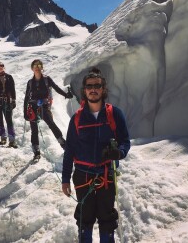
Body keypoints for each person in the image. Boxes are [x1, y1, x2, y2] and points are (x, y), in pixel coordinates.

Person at [62, 68, 131, 243]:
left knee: (106, 219)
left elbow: (125, 141)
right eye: (89, 86)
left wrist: (119, 152)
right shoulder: (77, 118)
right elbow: (69, 150)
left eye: (97, 86)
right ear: (84, 90)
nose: (93, 89)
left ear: (103, 89)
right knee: (85, 219)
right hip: (82, 176)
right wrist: (65, 179)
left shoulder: (114, 114)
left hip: (106, 175)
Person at [24, 59, 73, 159]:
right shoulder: (30, 82)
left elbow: (56, 88)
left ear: (42, 67)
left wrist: (66, 95)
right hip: (33, 107)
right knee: (34, 130)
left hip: (44, 107)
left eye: (39, 65)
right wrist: (25, 112)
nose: (37, 68)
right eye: (35, 66)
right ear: (32, 68)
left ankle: (64, 145)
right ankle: (36, 152)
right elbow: (26, 98)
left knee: (52, 125)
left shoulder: (47, 79)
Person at [0, 61, 17, 148]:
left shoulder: (9, 77)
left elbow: (13, 90)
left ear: (4, 67)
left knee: (9, 120)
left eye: (2, 66)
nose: (0, 67)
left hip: (7, 101)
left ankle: (12, 140)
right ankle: (3, 138)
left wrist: (14, 100)